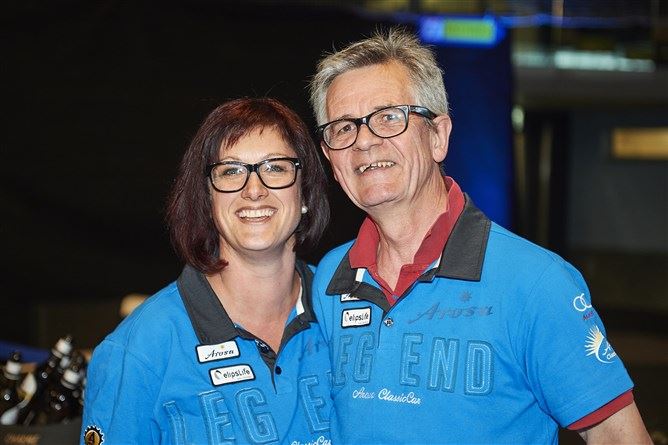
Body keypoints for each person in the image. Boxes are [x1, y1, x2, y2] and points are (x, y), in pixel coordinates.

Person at [309, 28, 651, 444]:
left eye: (389, 117)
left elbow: (618, 437)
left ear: (438, 137)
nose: (363, 141)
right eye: (343, 127)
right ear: (330, 158)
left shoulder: (536, 283)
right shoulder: (330, 279)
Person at [81, 98, 332, 444]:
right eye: (231, 171)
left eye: (276, 167)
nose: (254, 190)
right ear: (207, 199)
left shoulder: (343, 310)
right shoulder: (140, 348)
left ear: (304, 192)